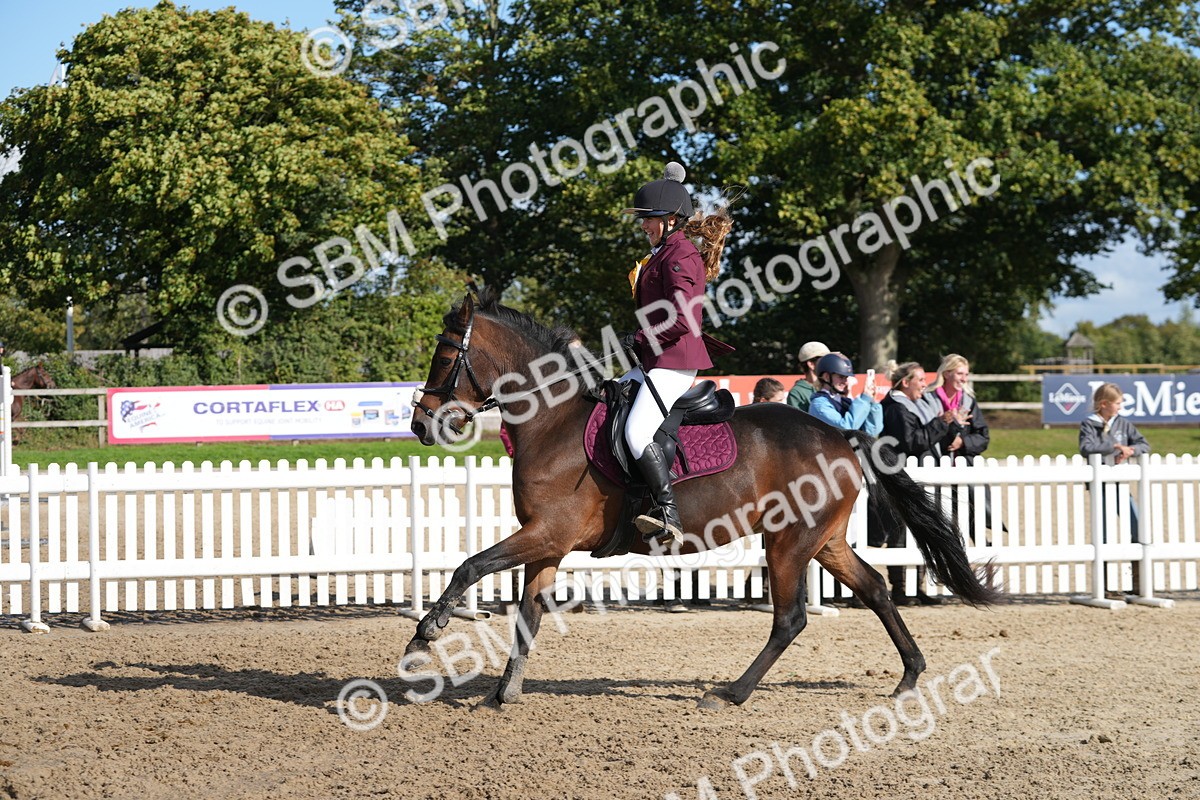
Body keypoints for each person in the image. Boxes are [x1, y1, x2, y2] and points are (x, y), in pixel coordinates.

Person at [620, 162, 734, 545]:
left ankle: (668, 514)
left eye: (648, 219)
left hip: (675, 361)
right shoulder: (662, 253)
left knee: (637, 432)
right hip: (656, 359)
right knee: (609, 401)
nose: (643, 225)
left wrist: (642, 336)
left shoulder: (680, 255)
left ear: (670, 219)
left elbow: (684, 319)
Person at [873, 361, 956, 605]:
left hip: (919, 476)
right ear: (906, 383)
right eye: (920, 379)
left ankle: (916, 586)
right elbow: (910, 443)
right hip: (902, 478)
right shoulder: (896, 408)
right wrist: (940, 424)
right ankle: (900, 588)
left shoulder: (914, 404)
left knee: (920, 532)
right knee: (900, 532)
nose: (924, 384)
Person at [918, 354, 996, 546]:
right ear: (946, 374)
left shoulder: (968, 402)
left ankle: (983, 555)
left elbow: (983, 437)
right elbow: (923, 434)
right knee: (942, 523)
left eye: (966, 374)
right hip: (935, 470)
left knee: (972, 520)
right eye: (960, 373)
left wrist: (963, 442)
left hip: (963, 471)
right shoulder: (928, 399)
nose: (964, 379)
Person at [1080, 383, 1151, 592]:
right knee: (1102, 532)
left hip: (1121, 485)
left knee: (1138, 526)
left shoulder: (1124, 424)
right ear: (1104, 404)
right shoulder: (1088, 424)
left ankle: (1137, 583)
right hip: (1100, 486)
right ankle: (1104, 586)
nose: (1120, 407)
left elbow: (1144, 445)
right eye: (1117, 403)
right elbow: (1086, 448)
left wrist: (1131, 450)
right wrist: (1113, 446)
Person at [807, 352, 882, 435]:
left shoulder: (843, 401)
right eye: (841, 377)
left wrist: (872, 402)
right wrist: (864, 399)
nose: (845, 382)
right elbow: (845, 428)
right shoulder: (819, 404)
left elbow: (871, 431)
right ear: (826, 377)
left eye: (846, 378)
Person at [786, 342, 830, 412]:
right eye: (824, 360)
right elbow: (797, 421)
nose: (830, 363)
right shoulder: (797, 393)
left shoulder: (830, 385)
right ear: (811, 364)